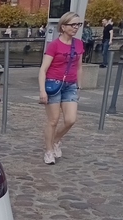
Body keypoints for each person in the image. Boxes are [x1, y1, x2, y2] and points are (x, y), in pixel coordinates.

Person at [38, 12, 84, 165]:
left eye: (78, 24)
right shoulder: (54, 45)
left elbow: (79, 67)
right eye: (73, 24)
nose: (76, 27)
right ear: (63, 27)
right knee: (53, 120)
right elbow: (43, 69)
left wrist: (79, 85)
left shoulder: (78, 44)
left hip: (70, 85)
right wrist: (42, 91)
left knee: (70, 120)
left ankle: (56, 139)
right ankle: (49, 150)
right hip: (53, 84)